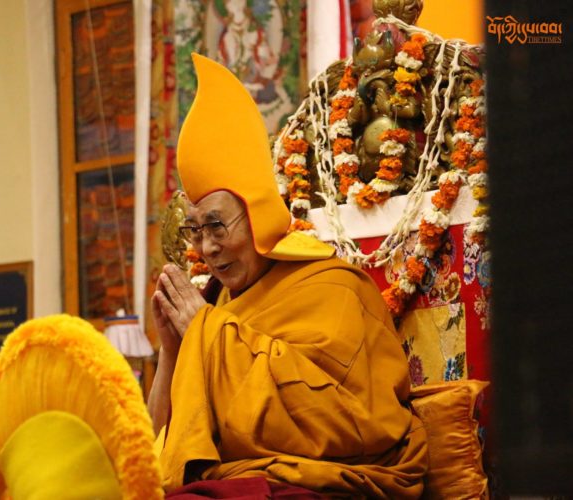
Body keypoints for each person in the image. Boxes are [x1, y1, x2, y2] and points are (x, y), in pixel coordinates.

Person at [147, 53, 428, 498]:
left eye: (217, 226)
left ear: (258, 215)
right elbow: (161, 446)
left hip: (321, 480)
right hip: (237, 480)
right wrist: (172, 349)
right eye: (195, 230)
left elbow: (347, 421)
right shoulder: (215, 306)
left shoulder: (333, 288)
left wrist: (210, 335)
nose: (207, 248)